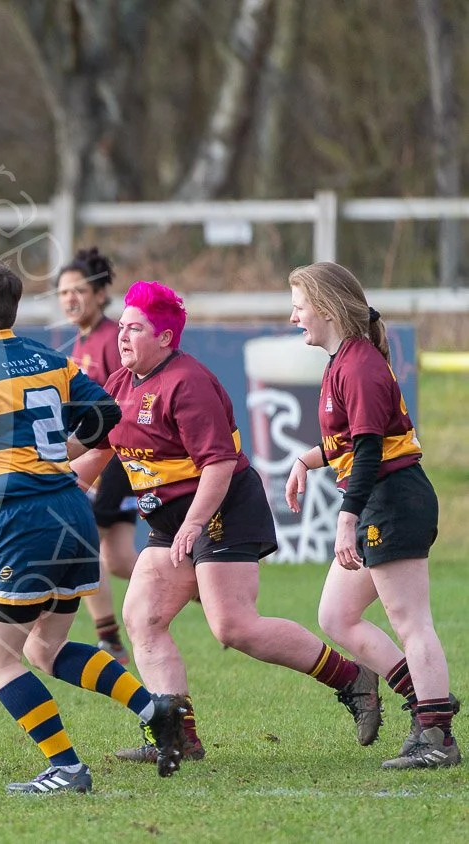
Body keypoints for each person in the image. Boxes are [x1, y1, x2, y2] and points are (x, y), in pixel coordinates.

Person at [70, 280, 381, 766]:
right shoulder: (118, 386)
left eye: (134, 329)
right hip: (173, 519)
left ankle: (353, 679)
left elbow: (217, 465)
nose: (123, 337)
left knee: (233, 626)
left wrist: (194, 524)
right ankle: (177, 736)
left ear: (166, 339)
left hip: (222, 510)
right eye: (122, 327)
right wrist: (34, 475)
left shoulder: (187, 383)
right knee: (143, 618)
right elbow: (94, 453)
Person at [0, 260, 183, 793]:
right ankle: (155, 708)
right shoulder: (49, 357)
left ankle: (66, 767)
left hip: (21, 522)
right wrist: (60, 452)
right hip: (72, 512)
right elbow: (106, 412)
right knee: (44, 648)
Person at [285, 262, 458, 768]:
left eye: (299, 306)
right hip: (381, 499)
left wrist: (346, 517)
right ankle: (427, 704)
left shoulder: (358, 364)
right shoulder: (344, 360)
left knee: (411, 621)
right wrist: (305, 458)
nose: (294, 316)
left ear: (327, 307)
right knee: (335, 616)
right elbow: (347, 440)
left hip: (392, 500)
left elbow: (367, 450)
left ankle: (437, 737)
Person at [56, 247, 135, 664]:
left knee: (76, 534)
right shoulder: (79, 342)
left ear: (101, 293)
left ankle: (110, 640)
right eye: (63, 292)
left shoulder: (112, 339)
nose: (70, 298)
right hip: (98, 456)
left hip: (115, 458)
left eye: (79, 290)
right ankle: (205, 585)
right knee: (120, 559)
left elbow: (119, 410)